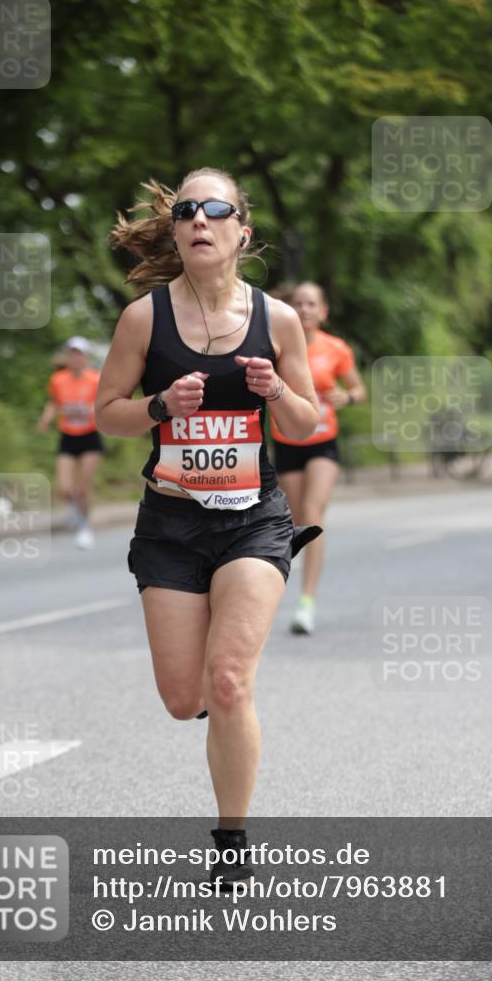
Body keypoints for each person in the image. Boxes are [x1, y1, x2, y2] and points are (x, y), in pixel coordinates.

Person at [96, 168, 321, 889]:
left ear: (240, 233)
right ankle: (213, 713)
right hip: (169, 524)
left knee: (227, 682)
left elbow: (306, 423)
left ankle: (231, 839)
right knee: (183, 698)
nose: (198, 218)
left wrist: (275, 389)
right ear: (176, 231)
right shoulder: (144, 319)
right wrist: (160, 406)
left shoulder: (277, 320)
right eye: (186, 209)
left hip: (252, 520)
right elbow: (107, 413)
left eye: (214, 209)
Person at [271, 282, 366, 635]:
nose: (305, 309)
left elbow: (358, 389)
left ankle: (307, 602)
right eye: (299, 303)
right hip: (286, 440)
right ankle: (292, 582)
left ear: (323, 311)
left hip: (323, 441)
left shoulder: (335, 348)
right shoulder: (276, 346)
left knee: (312, 512)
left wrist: (348, 397)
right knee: (297, 521)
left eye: (312, 304)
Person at [37, 336, 104, 550]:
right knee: (64, 488)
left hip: (90, 436)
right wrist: (45, 419)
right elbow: (53, 403)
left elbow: (105, 404)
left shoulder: (96, 379)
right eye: (71, 354)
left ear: (86, 357)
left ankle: (85, 528)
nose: (75, 358)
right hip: (67, 436)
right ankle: (75, 509)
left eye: (79, 354)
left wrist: (93, 411)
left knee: (82, 488)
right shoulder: (58, 379)